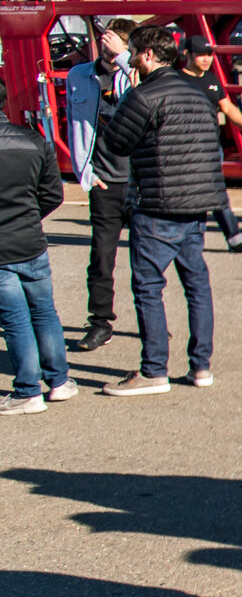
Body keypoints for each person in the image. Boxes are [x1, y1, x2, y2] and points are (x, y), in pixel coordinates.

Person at [97, 24, 223, 396]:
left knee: (149, 287)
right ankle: (201, 366)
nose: (133, 59)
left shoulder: (144, 95)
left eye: (135, 52)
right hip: (197, 204)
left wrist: (127, 97)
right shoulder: (198, 93)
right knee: (196, 285)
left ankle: (154, 369)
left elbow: (115, 143)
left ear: (148, 55)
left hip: (157, 203)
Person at [0, 79, 72, 414]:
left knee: (15, 320)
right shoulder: (33, 141)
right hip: (31, 239)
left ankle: (28, 390)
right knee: (44, 311)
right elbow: (53, 195)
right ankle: (58, 381)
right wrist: (31, 216)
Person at [67, 18, 136, 352]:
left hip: (139, 182)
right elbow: (74, 125)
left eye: (118, 43)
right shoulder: (79, 75)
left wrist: (123, 57)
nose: (109, 48)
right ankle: (99, 322)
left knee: (148, 259)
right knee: (101, 257)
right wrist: (85, 173)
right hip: (104, 181)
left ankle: (152, 321)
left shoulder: (137, 73)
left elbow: (142, 91)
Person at [178, 35, 242, 254]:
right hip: (184, 150)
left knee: (215, 192)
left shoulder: (211, 80)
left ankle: (233, 238)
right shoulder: (176, 80)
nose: (206, 59)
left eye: (209, 55)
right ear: (187, 55)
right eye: (201, 55)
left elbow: (228, 108)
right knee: (194, 195)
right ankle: (192, 239)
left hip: (210, 149)